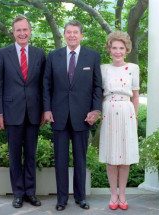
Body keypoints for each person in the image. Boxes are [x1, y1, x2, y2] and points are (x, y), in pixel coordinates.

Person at [43, 20, 103, 211]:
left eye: (75, 32)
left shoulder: (92, 56)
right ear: (64, 34)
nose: (72, 35)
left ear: (81, 35)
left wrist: (96, 110)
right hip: (58, 116)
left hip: (83, 117)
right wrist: (47, 109)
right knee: (60, 160)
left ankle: (80, 197)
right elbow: (46, 85)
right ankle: (61, 199)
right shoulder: (53, 56)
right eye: (68, 32)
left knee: (80, 159)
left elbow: (97, 87)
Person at [0, 15, 46, 208]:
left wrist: (44, 110)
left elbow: (43, 85)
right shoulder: (2, 53)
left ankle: (30, 192)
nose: (22, 33)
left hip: (33, 112)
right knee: (14, 155)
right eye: (18, 30)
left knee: (31, 154)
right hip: (10, 112)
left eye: (25, 30)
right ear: (13, 32)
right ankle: (17, 193)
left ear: (30, 31)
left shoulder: (39, 53)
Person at [99, 31, 140, 211]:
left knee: (124, 158)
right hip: (109, 111)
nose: (117, 51)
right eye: (114, 48)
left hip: (126, 112)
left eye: (121, 48)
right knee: (111, 157)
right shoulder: (103, 69)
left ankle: (122, 194)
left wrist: (135, 118)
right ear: (109, 49)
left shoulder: (133, 68)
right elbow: (99, 95)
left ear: (126, 49)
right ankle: (113, 194)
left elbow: (136, 96)